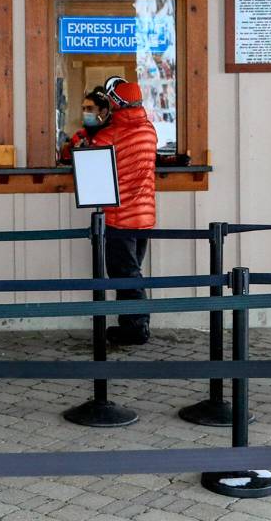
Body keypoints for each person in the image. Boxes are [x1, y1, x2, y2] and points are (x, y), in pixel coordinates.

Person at [94, 79, 158, 345]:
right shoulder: (149, 130)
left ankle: (136, 329)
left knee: (125, 273)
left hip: (120, 217)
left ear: (116, 103)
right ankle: (130, 324)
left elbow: (93, 156)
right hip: (144, 216)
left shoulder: (109, 135)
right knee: (132, 270)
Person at [58, 86, 112, 163]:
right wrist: (76, 153)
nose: (85, 113)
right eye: (84, 109)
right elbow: (64, 162)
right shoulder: (79, 136)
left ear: (103, 112)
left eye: (90, 108)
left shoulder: (114, 135)